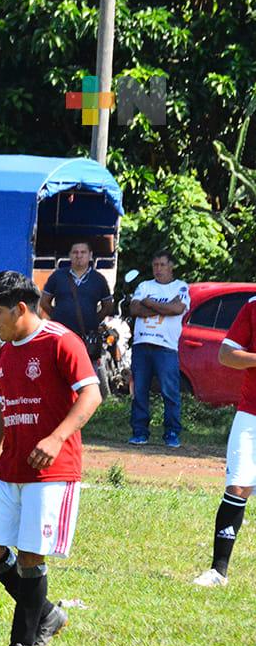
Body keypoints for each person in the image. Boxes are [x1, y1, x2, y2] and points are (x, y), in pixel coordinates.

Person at [0, 270, 101, 646]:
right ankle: (46, 613)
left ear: (21, 308)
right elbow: (2, 409)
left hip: (52, 470)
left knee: (30, 555)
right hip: (10, 468)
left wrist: (56, 437)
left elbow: (91, 395)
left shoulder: (61, 342)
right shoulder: (8, 351)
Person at [193, 296, 256, 587]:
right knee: (237, 486)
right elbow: (226, 354)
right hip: (251, 414)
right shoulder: (253, 306)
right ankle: (218, 571)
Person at [128, 252, 190, 448]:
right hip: (142, 345)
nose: (158, 269)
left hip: (166, 347)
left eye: (162, 265)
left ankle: (171, 432)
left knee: (169, 391)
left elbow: (177, 309)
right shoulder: (144, 286)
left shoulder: (180, 286)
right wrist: (164, 306)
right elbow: (135, 310)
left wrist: (150, 302)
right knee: (139, 390)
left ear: (171, 266)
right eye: (155, 265)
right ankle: (139, 432)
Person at [39, 240, 113, 371]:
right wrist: (57, 317)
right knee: (58, 371)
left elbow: (108, 306)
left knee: (86, 373)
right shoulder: (58, 276)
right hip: (60, 334)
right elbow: (44, 302)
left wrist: (94, 320)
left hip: (87, 336)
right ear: (69, 255)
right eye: (75, 252)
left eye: (83, 252)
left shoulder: (98, 279)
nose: (79, 255)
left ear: (90, 255)